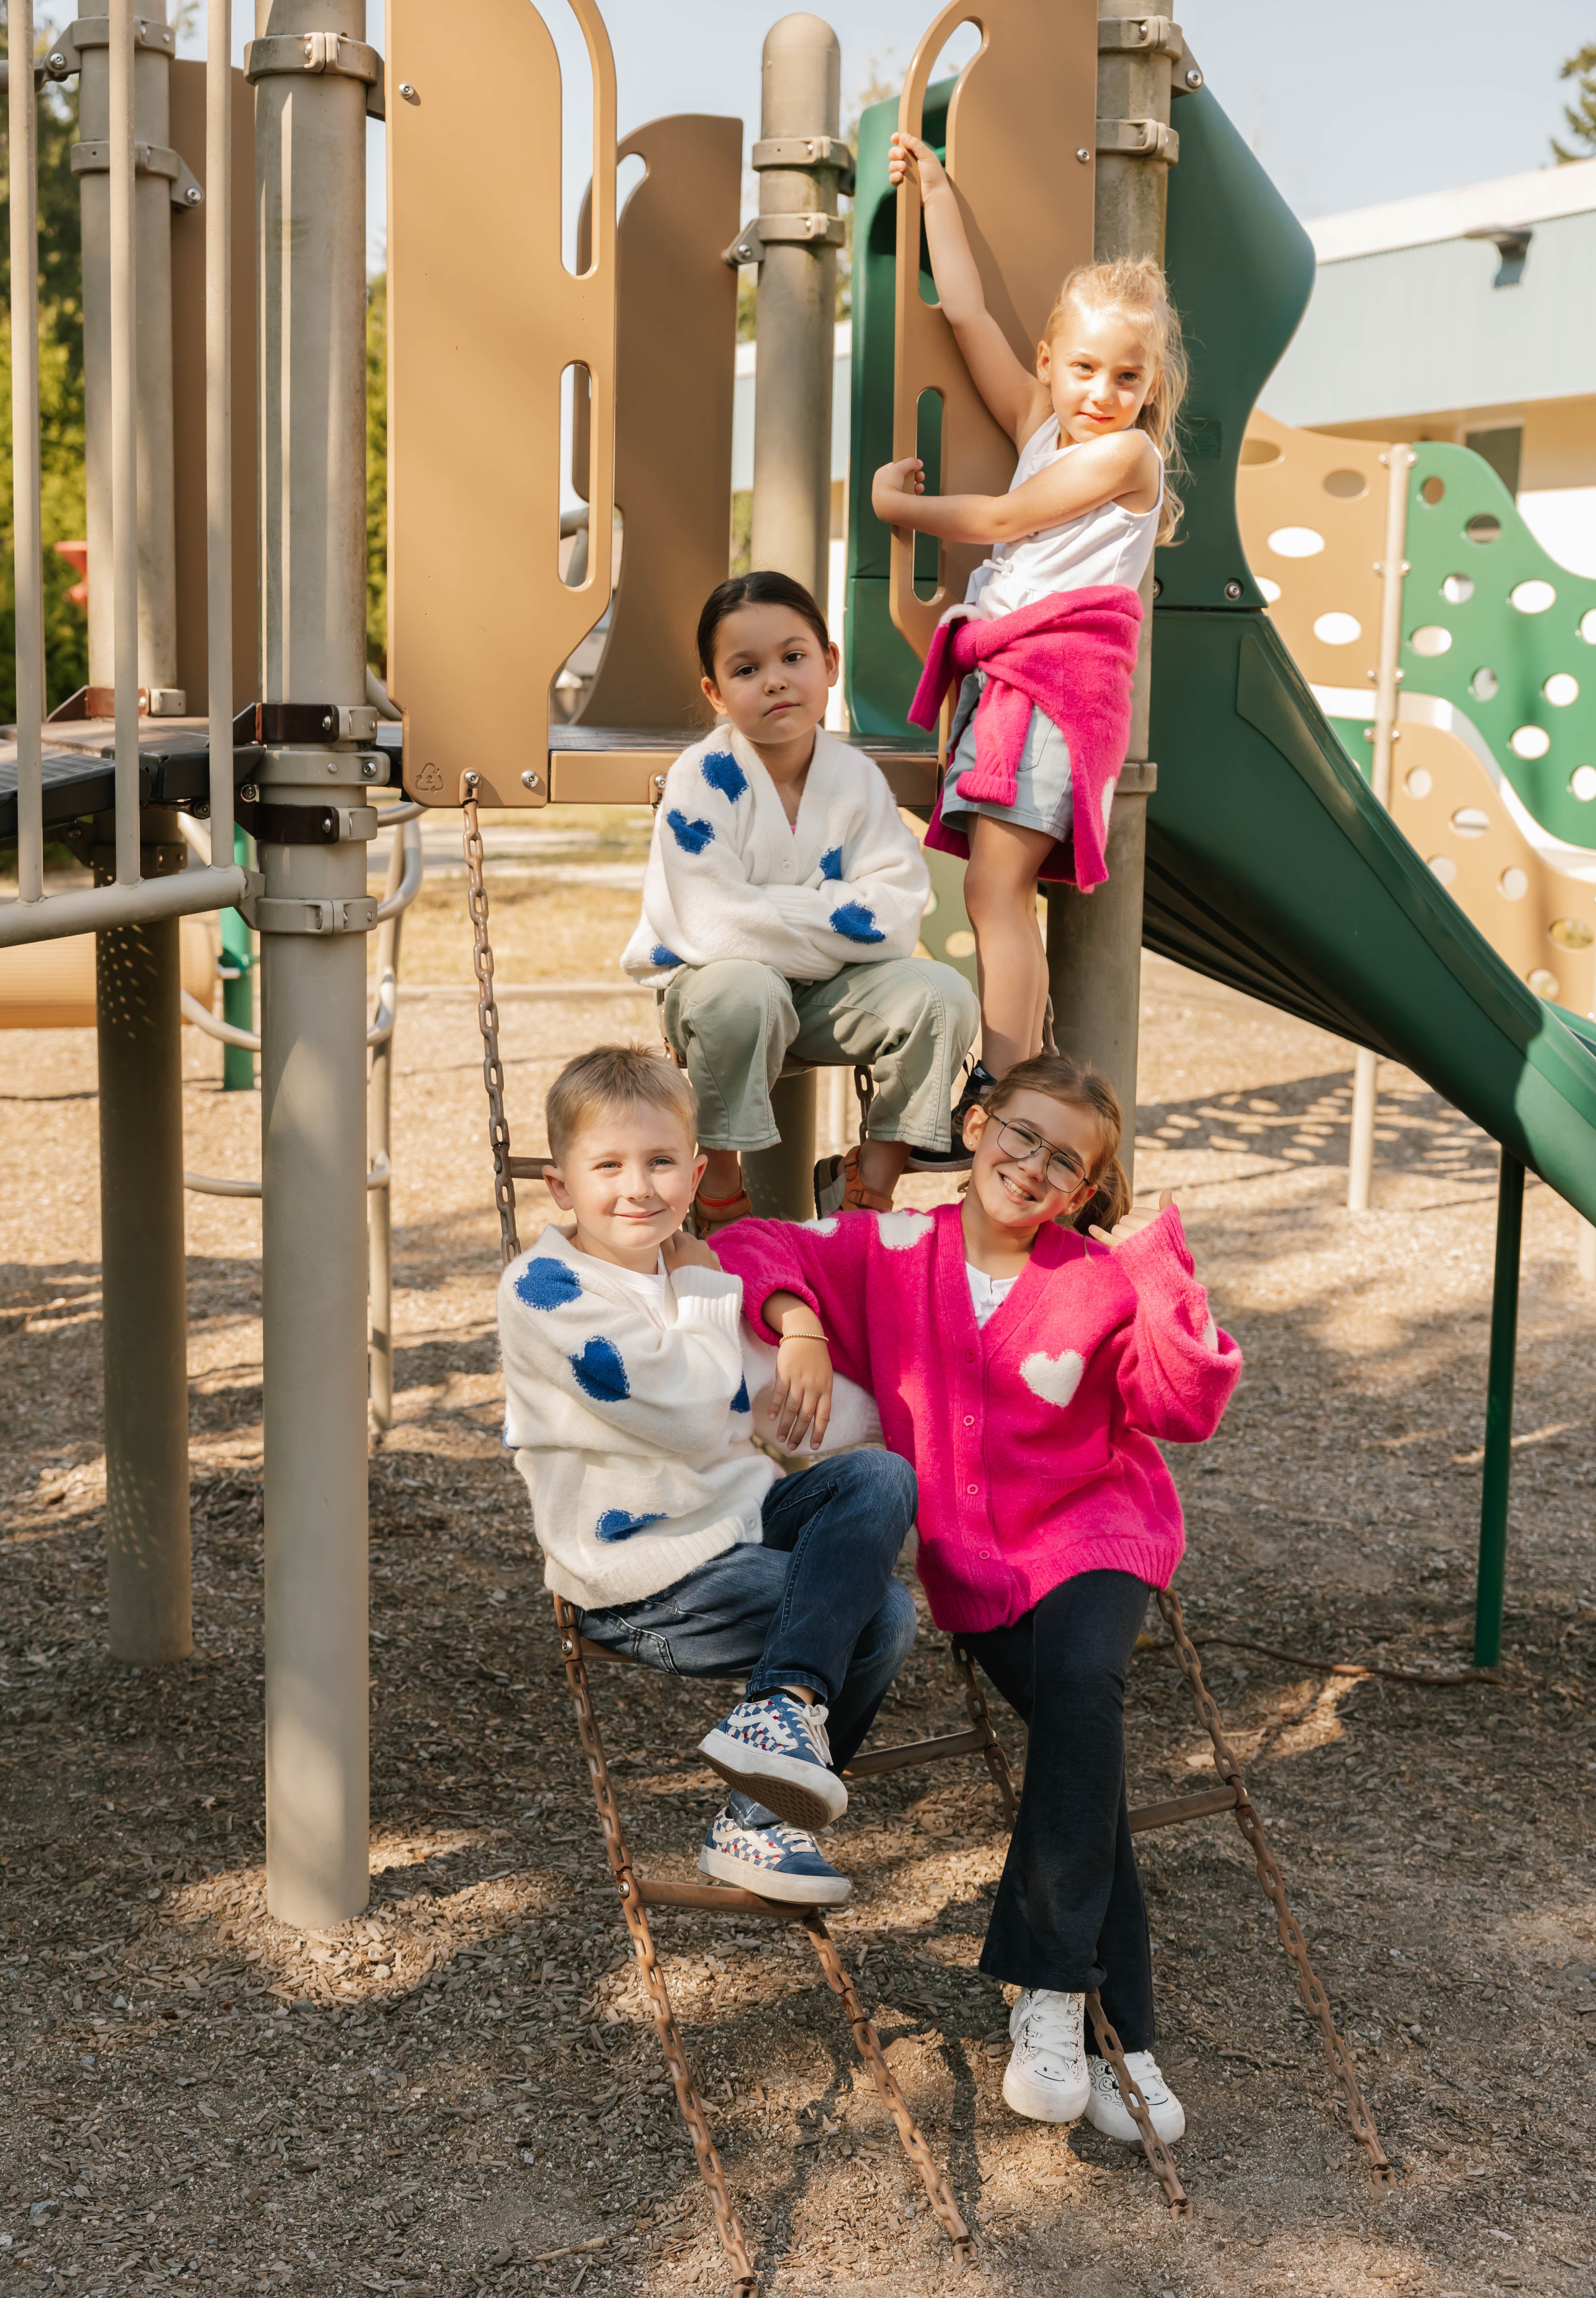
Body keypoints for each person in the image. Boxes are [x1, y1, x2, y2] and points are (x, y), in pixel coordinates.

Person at [716, 1056, 1241, 2139]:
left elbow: (1184, 1403)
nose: (1033, 1166)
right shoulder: (887, 1248)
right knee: (1075, 1755)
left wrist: (1154, 1266)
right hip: (981, 1573)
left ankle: (1055, 1995)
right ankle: (1122, 2035)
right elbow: (746, 1245)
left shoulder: (1095, 1278)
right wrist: (804, 1327)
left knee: (1086, 1688)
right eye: (1021, 1135)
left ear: (1088, 1189)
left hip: (1099, 1532)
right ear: (976, 1123)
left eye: (1067, 1162)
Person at [497, 1043, 919, 1906]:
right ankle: (762, 1822)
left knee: (876, 1478)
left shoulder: (685, 1274)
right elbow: (692, 1410)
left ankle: (772, 1737)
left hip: (735, 1521)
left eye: (659, 1164)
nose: (637, 1188)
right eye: (607, 1166)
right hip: (641, 1577)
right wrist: (702, 1284)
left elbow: (770, 1408)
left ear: (695, 1175)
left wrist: (804, 1336)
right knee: (877, 1615)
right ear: (560, 1186)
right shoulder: (544, 1289)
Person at [872, 131, 1187, 1081]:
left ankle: (1006, 1082)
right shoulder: (1040, 422)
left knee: (994, 890)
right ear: (1049, 360)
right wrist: (935, 194)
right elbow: (965, 313)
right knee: (989, 892)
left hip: (1053, 684)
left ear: (1150, 387)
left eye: (1126, 377)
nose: (1101, 392)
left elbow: (1005, 514)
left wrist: (898, 509)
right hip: (1016, 681)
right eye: (1084, 368)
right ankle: (1019, 1070)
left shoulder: (1127, 457)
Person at [621, 569, 980, 1232]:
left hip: (826, 998)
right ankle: (722, 1188)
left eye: (793, 657)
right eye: (747, 669)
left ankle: (868, 1181)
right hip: (715, 995)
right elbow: (710, 925)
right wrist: (830, 908)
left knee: (941, 994)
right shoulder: (702, 780)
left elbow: (896, 915)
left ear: (829, 664)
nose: (776, 680)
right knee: (747, 989)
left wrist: (769, 906)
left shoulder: (855, 782)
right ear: (717, 694)